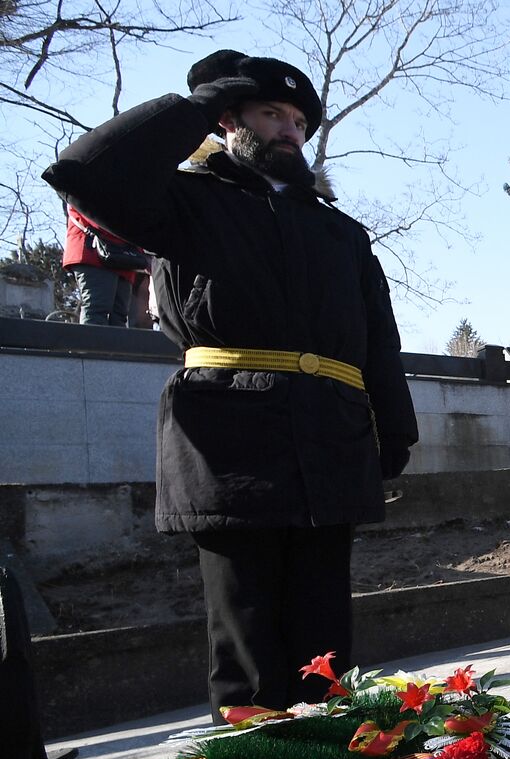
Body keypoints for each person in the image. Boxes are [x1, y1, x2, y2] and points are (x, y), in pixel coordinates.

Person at [43, 49, 418, 722]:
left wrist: (394, 429)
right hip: (227, 439)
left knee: (327, 634)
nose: (289, 131)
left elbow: (376, 338)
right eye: (271, 113)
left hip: (329, 437)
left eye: (300, 121)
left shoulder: (340, 232)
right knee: (245, 630)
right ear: (229, 121)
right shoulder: (183, 202)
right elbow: (86, 173)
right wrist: (196, 104)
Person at [61, 204, 143, 325]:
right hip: (96, 251)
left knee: (118, 317)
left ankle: (110, 343)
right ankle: (92, 344)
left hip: (123, 256)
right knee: (97, 310)